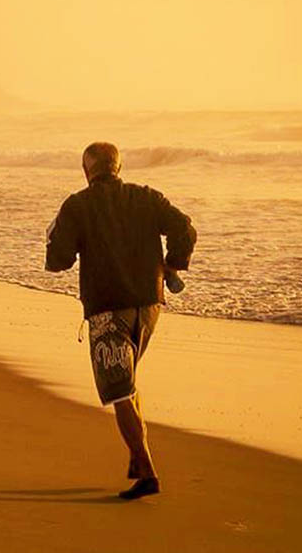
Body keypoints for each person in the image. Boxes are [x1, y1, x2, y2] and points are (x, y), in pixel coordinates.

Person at [45, 141, 196, 500]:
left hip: (108, 310)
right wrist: (173, 264)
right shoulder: (146, 197)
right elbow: (185, 229)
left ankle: (147, 471)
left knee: (118, 390)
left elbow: (59, 261)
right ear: (118, 166)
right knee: (126, 384)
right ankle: (136, 454)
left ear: (87, 170)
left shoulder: (77, 206)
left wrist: (52, 237)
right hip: (149, 304)